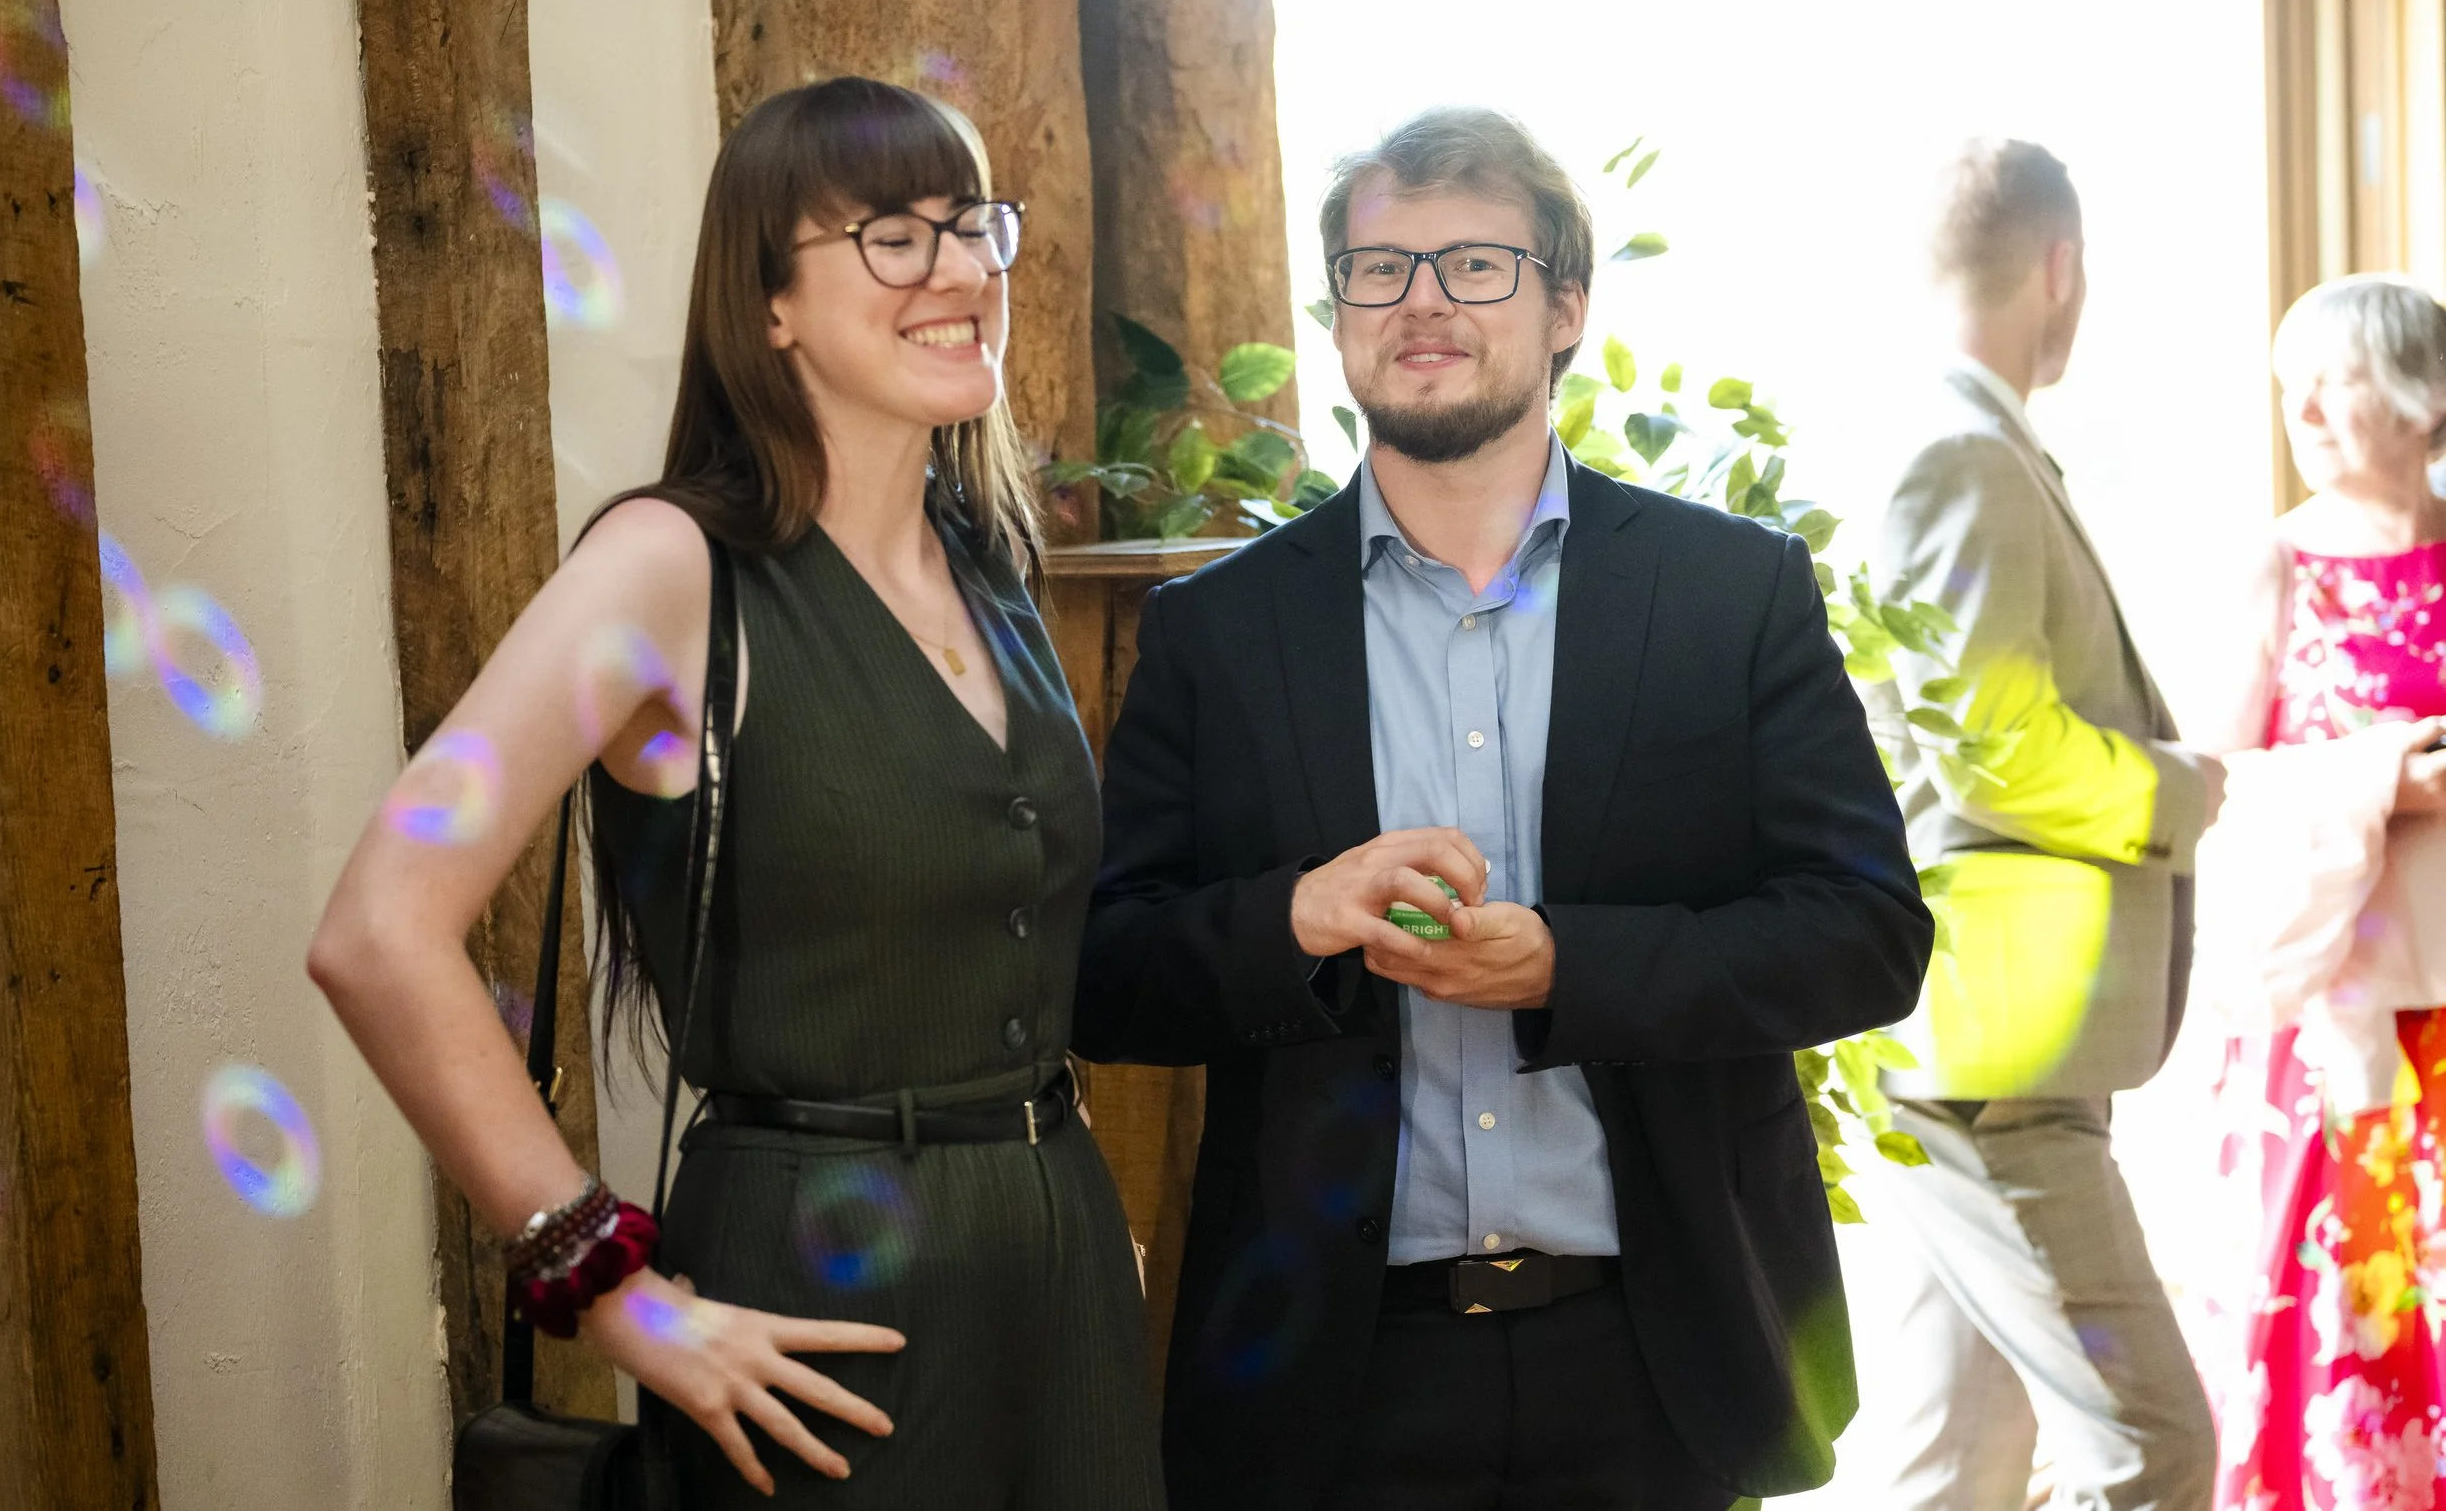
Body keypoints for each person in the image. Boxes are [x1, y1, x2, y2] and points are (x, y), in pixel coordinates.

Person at [307, 77, 1164, 1508]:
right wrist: (614, 1291)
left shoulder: (990, 560)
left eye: (973, 227)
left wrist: (1058, 1208)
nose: (961, 271)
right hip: (818, 1288)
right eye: (894, 235)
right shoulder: (665, 569)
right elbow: (379, 926)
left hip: (1059, 1262)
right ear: (769, 305)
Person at [1075, 105, 1933, 1511]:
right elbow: (1105, 975)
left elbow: (1866, 933)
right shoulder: (1216, 632)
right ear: (1338, 313)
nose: (1421, 300)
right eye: (1380, 268)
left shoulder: (1731, 595)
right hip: (1330, 1383)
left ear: (1566, 310)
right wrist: (1294, 916)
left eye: (1476, 264)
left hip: (1661, 1361)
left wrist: (1564, 965)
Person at [1859, 138, 2222, 1510]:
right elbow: (1996, 747)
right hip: (1995, 1056)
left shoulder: (1963, 437)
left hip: (1978, 1039)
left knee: (1956, 1464)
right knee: (2154, 1444)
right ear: (2061, 267)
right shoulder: (1961, 452)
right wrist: (2181, 787)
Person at [2183, 276, 2446, 1511]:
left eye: (2335, 377)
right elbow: (2211, 784)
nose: (2306, 405)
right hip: (2325, 1007)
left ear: (2419, 397)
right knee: (2342, 1285)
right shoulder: (2277, 562)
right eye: (2293, 380)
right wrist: (2377, 776)